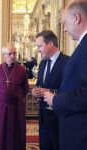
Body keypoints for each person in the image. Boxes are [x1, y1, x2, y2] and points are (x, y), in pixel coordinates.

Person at [43, 1, 87, 150]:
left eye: (65, 23)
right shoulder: (82, 45)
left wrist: (56, 99)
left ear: (76, 17)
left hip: (80, 134)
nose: (65, 29)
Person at [32, 30, 69, 150]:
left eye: (40, 45)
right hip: (43, 118)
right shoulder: (42, 64)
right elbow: (39, 84)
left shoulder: (68, 62)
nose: (38, 49)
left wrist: (51, 92)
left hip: (59, 119)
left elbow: (71, 91)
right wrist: (35, 92)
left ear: (50, 44)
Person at [0, 44, 29, 150]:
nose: (12, 56)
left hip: (17, 106)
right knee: (1, 132)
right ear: (4, 55)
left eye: (14, 53)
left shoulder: (22, 70)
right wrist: (4, 98)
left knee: (16, 132)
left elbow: (25, 89)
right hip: (1, 107)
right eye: (9, 54)